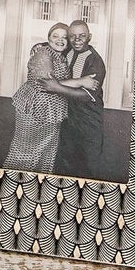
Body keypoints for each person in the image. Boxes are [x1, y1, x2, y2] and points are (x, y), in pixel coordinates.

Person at [4, 23, 73, 174]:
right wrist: (82, 82)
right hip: (34, 108)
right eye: (55, 36)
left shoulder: (62, 55)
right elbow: (48, 83)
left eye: (64, 37)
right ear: (48, 38)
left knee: (47, 152)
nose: (60, 40)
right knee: (25, 150)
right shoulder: (43, 53)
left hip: (54, 111)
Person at [51, 20, 107, 178]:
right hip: (68, 115)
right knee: (65, 160)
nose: (76, 40)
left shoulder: (95, 62)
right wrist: (39, 46)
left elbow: (85, 95)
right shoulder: (68, 49)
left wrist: (55, 87)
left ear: (89, 37)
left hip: (88, 117)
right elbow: (54, 42)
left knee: (88, 164)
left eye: (81, 36)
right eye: (72, 36)